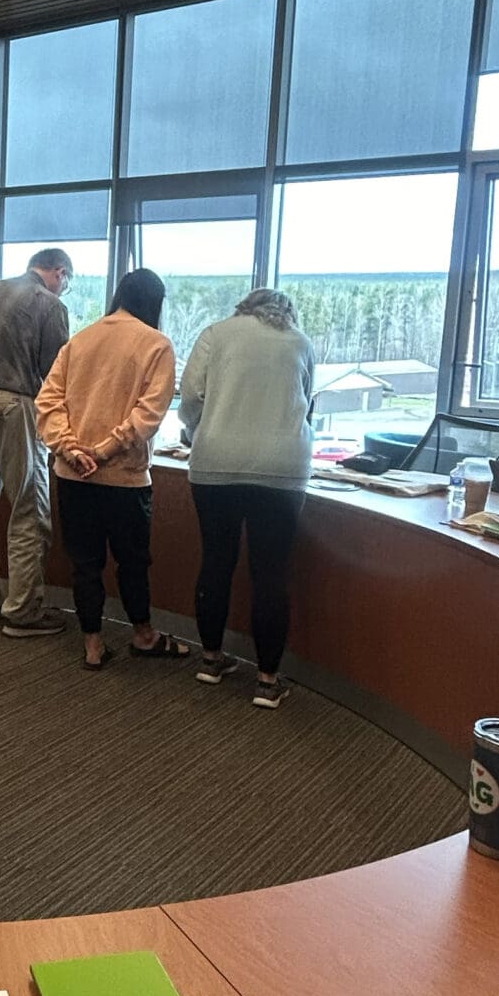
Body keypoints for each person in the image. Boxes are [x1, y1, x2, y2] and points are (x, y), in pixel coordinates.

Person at [36, 268, 188, 670]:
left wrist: (70, 449)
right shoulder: (157, 344)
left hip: (73, 476)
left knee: (85, 564)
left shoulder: (81, 339)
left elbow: (48, 402)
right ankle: (144, 635)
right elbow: (149, 414)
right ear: (155, 302)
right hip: (125, 479)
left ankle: (92, 645)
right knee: (133, 563)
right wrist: (104, 451)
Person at [178, 287, 317, 708]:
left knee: (215, 562)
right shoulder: (300, 342)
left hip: (215, 463)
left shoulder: (215, 333)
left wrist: (197, 431)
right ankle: (267, 681)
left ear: (243, 308)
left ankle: (210, 660)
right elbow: (306, 402)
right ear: (287, 313)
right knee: (270, 574)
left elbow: (191, 396)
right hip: (281, 469)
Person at [0, 247, 72, 634]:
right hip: (12, 405)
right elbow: (56, 373)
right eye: (66, 282)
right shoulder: (49, 304)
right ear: (59, 273)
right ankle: (22, 611)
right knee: (28, 511)